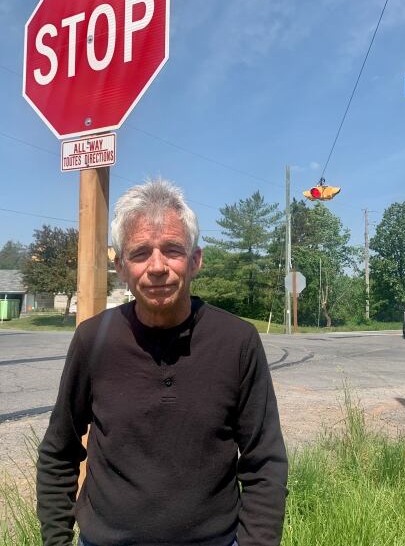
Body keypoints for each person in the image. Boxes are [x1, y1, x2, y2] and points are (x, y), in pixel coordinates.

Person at [37, 178, 288, 546]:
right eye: (140, 253)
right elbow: (59, 451)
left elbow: (264, 462)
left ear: (196, 260)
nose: (156, 267)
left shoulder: (237, 340)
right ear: (121, 266)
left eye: (172, 250)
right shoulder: (93, 340)